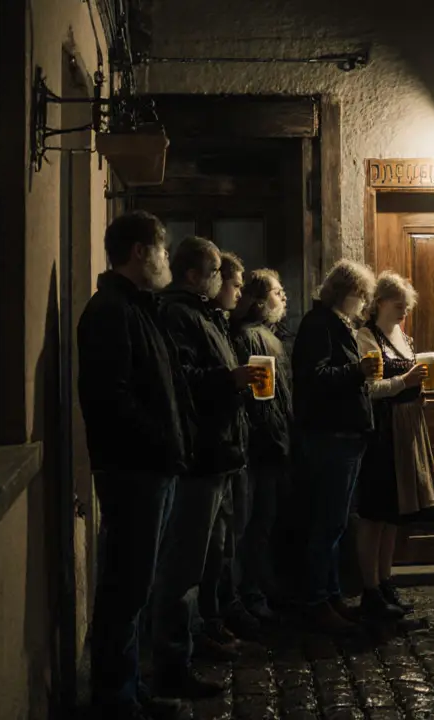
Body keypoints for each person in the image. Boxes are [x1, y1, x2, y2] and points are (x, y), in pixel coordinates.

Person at [77, 211, 190, 720]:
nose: (166, 260)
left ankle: (130, 687)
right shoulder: (110, 311)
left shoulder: (138, 307)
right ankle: (115, 699)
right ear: (141, 251)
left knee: (137, 584)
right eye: (163, 250)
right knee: (126, 586)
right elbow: (113, 397)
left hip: (150, 466)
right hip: (133, 469)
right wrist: (160, 439)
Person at [150, 237, 264, 698]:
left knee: (210, 557)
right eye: (216, 271)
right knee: (183, 566)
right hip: (199, 458)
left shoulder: (204, 315)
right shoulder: (179, 315)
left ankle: (196, 638)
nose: (223, 280)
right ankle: (172, 664)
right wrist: (231, 379)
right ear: (196, 276)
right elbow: (184, 383)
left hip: (219, 454)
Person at [291, 259, 380, 633]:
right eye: (360, 296)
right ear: (345, 293)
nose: (363, 305)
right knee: (327, 522)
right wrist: (357, 371)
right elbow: (315, 377)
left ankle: (330, 595)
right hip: (330, 436)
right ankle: (316, 601)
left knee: (336, 521)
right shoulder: (320, 325)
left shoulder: (338, 325)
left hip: (344, 435)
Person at [354, 271, 434, 620]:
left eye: (407, 304)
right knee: (375, 513)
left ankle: (386, 581)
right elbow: (369, 389)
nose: (405, 309)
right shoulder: (366, 337)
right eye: (398, 303)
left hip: (408, 427)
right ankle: (370, 588)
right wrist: (405, 381)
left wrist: (421, 389)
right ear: (379, 303)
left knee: (394, 514)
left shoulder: (403, 336)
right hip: (383, 431)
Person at [229, 269, 293, 622]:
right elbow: (263, 403)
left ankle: (259, 587)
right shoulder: (253, 338)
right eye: (276, 292)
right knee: (256, 523)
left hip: (270, 443)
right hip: (261, 446)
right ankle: (251, 593)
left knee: (262, 522)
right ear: (257, 299)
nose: (283, 297)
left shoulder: (267, 336)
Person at [207, 251, 264, 640]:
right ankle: (209, 620)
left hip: (231, 446)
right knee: (212, 546)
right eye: (235, 283)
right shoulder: (195, 320)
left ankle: (222, 611)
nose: (240, 292)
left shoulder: (218, 322)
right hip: (210, 451)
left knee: (227, 539)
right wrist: (231, 380)